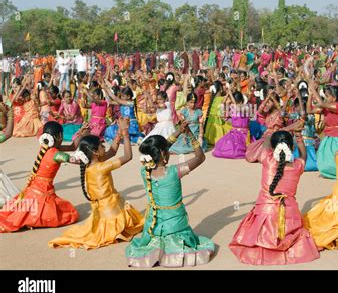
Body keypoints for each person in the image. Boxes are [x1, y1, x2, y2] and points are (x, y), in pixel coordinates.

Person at [126, 124, 215, 268]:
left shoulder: (145, 172)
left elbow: (160, 149)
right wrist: (190, 135)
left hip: (153, 227)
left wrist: (178, 132)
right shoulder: (175, 172)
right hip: (176, 226)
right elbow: (200, 157)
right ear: (163, 153)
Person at [49, 118, 144, 249]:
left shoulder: (91, 163)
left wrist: (119, 134)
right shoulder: (101, 167)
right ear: (94, 151)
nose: (104, 147)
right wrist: (125, 132)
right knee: (135, 222)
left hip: (104, 207)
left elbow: (112, 151)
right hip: (110, 209)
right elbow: (128, 156)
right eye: (101, 145)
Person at [229, 128, 320, 265]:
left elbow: (266, 142)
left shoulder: (268, 159)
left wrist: (275, 132)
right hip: (290, 215)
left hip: (265, 214)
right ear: (292, 147)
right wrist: (299, 136)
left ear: (272, 148)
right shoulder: (297, 166)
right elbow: (303, 156)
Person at [0, 121, 88, 232]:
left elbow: (73, 146)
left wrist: (81, 133)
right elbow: (77, 160)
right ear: (59, 136)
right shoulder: (56, 154)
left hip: (34, 189)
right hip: (42, 193)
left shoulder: (46, 148)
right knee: (69, 215)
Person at [309, 84, 338, 179]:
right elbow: (309, 110)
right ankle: (328, 173)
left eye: (327, 96)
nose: (325, 98)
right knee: (325, 157)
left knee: (337, 157)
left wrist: (313, 90)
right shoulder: (326, 107)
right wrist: (310, 95)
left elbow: (321, 103)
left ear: (334, 98)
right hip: (328, 136)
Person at [213, 91, 250, 159]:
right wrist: (228, 94)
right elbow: (223, 104)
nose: (233, 104)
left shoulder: (245, 108)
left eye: (235, 102)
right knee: (225, 144)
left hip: (243, 134)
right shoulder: (233, 109)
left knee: (236, 148)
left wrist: (231, 96)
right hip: (234, 132)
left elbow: (238, 109)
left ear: (241, 101)